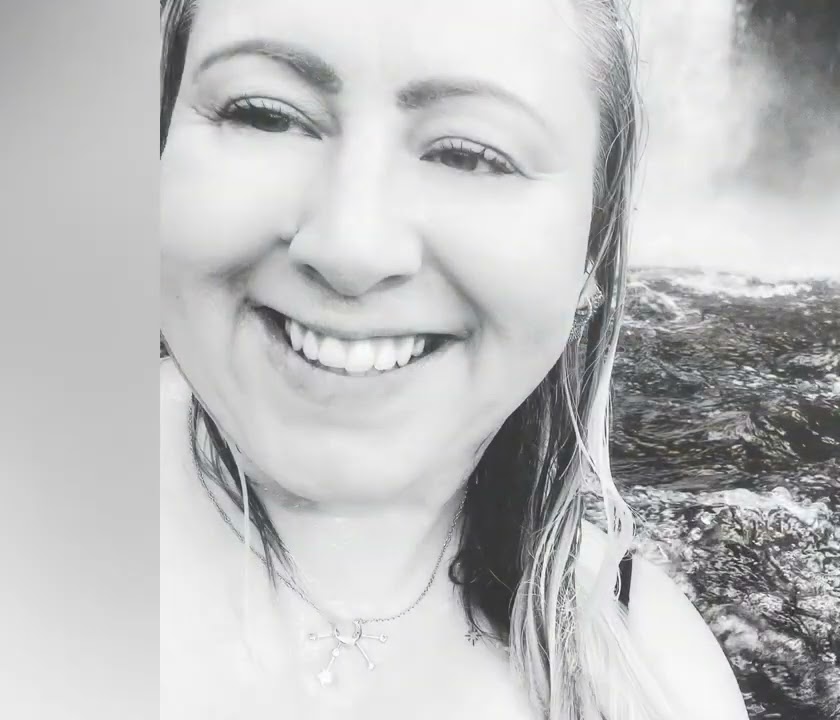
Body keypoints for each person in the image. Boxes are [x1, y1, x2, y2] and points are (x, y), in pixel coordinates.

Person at [158, 0, 750, 717]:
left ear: (593, 250)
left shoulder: (658, 684)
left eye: (470, 154)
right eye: (265, 114)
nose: (350, 245)